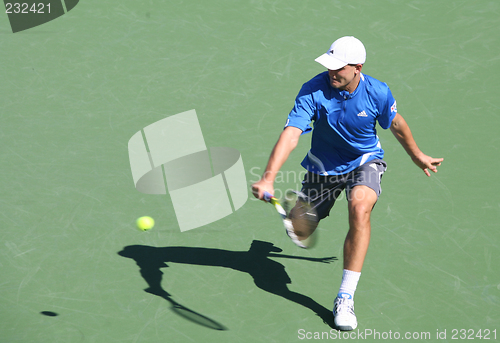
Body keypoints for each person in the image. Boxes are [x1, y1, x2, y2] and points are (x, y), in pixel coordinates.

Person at [251, 36, 443, 331]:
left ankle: (345, 297)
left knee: (360, 207)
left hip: (364, 161)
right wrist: (268, 176)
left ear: (357, 67)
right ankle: (296, 216)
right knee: (301, 228)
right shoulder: (313, 90)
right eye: (330, 66)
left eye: (339, 68)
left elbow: (396, 124)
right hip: (322, 167)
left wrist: (417, 155)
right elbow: (291, 133)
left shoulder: (377, 92)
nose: (332, 73)